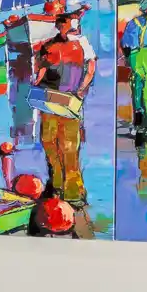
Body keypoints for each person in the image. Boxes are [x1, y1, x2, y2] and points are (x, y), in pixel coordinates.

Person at [33, 12, 96, 205]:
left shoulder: (81, 42)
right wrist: (36, 82)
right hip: (49, 99)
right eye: (60, 25)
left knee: (69, 147)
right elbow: (42, 67)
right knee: (49, 142)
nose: (63, 28)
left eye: (66, 24)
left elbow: (91, 66)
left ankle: (74, 193)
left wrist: (81, 89)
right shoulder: (49, 45)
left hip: (70, 100)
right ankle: (56, 185)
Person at [119, 0, 147, 130]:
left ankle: (138, 116)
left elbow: (124, 43)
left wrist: (128, 58)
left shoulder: (132, 23)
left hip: (133, 54)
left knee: (137, 83)